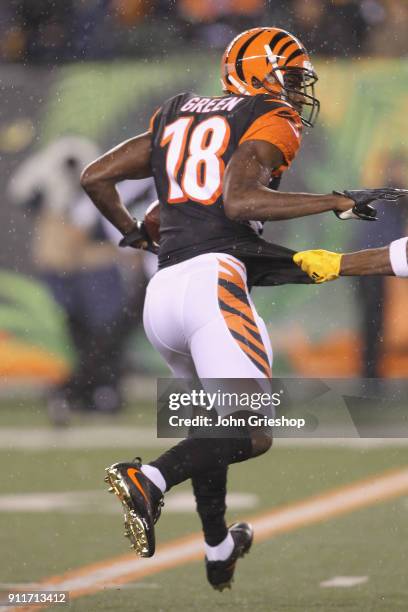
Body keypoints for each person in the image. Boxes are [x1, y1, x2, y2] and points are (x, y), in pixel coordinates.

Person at [81, 27, 408, 590]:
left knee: (216, 425)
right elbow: (240, 201)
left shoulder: (177, 110)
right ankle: (150, 478)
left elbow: (96, 176)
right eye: (292, 77)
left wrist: (135, 232)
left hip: (164, 294)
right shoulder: (267, 116)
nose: (300, 89)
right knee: (251, 432)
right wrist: (337, 200)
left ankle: (215, 543)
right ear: (260, 73)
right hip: (214, 285)